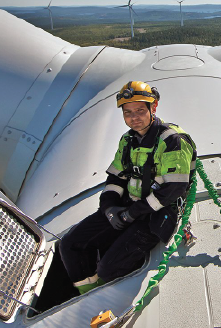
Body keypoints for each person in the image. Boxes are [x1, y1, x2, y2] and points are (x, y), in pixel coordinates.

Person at [60, 81, 197, 294]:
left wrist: (131, 214)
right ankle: (87, 292)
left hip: (157, 213)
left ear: (154, 107)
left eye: (140, 111)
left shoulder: (172, 140)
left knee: (109, 268)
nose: (134, 118)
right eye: (128, 113)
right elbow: (116, 178)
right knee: (69, 244)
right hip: (129, 207)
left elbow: (174, 189)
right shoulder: (128, 141)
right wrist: (109, 208)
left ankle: (104, 285)